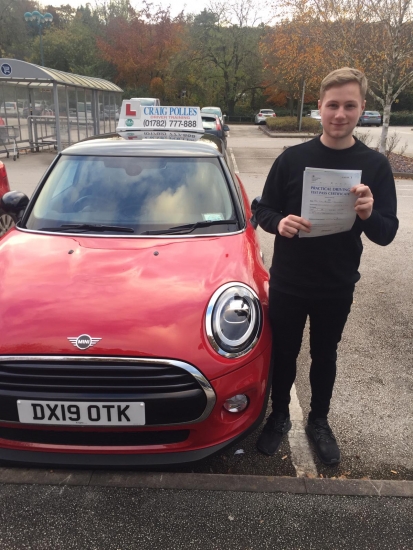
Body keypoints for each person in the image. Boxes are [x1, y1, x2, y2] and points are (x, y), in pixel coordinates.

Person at [255, 67, 398, 465]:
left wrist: (369, 214)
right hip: (288, 280)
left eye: (349, 105)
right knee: (283, 352)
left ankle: (318, 420)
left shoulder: (375, 166)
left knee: (325, 354)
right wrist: (278, 222)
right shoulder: (292, 159)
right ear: (319, 107)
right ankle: (279, 415)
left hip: (336, 284)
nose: (339, 114)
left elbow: (386, 233)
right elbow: (262, 210)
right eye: (332, 105)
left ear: (361, 109)